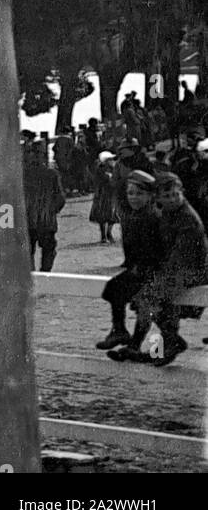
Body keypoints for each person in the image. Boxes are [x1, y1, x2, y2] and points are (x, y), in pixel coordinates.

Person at [111, 173, 208, 366]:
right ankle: (155, 345)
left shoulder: (186, 218)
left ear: (181, 193)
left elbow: (182, 255)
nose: (172, 199)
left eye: (175, 194)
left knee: (148, 298)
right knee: (146, 298)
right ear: (159, 197)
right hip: (178, 269)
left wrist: (161, 274)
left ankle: (169, 341)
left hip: (192, 270)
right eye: (167, 196)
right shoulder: (168, 213)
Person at [95, 171, 162, 351]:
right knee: (112, 288)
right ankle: (119, 330)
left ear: (150, 195)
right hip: (139, 269)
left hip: (155, 272)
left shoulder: (154, 217)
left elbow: (157, 250)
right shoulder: (134, 216)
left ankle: (135, 342)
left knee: (144, 305)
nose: (134, 198)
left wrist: (141, 269)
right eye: (131, 193)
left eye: (140, 194)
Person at [24, 143, 66, 271]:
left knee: (27, 252)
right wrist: (51, 210)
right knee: (48, 250)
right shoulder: (52, 174)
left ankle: (31, 276)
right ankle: (44, 275)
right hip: (46, 221)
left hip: (26, 220)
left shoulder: (21, 175)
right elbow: (60, 199)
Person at [90, 151, 119, 243]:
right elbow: (104, 180)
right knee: (102, 216)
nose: (112, 161)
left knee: (112, 215)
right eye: (110, 159)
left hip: (111, 194)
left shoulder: (113, 168)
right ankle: (104, 235)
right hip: (103, 194)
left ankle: (108, 233)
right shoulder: (101, 169)